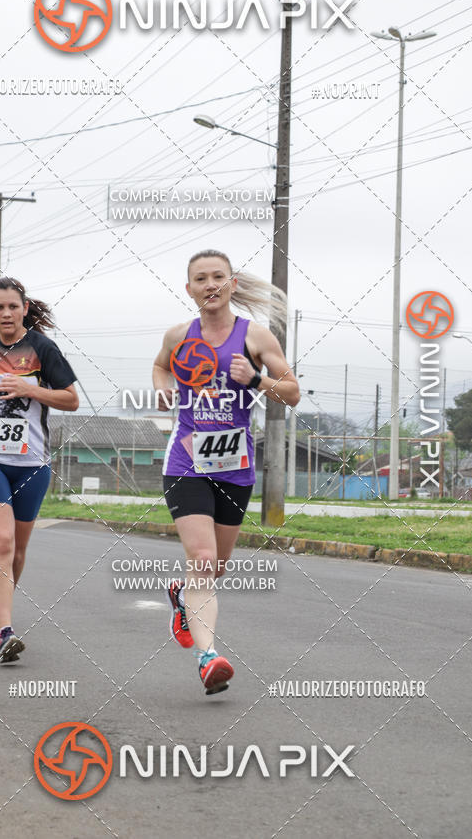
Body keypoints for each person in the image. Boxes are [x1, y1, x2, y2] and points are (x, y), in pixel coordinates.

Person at [153, 250, 300, 694]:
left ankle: (181, 595)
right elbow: (161, 367)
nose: (210, 284)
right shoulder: (179, 335)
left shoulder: (255, 337)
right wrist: (163, 392)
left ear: (232, 284)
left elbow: (291, 392)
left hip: (235, 468)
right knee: (201, 559)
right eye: (201, 278)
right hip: (186, 463)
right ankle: (207, 657)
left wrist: (256, 381)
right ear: (190, 289)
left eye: (219, 276)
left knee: (213, 569)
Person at [0, 278, 78, 662]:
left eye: (12, 307)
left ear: (24, 309)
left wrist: (32, 390)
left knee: (18, 550)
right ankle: (5, 629)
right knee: (0, 542)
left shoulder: (43, 349)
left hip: (31, 464)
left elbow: (71, 399)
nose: (5, 314)